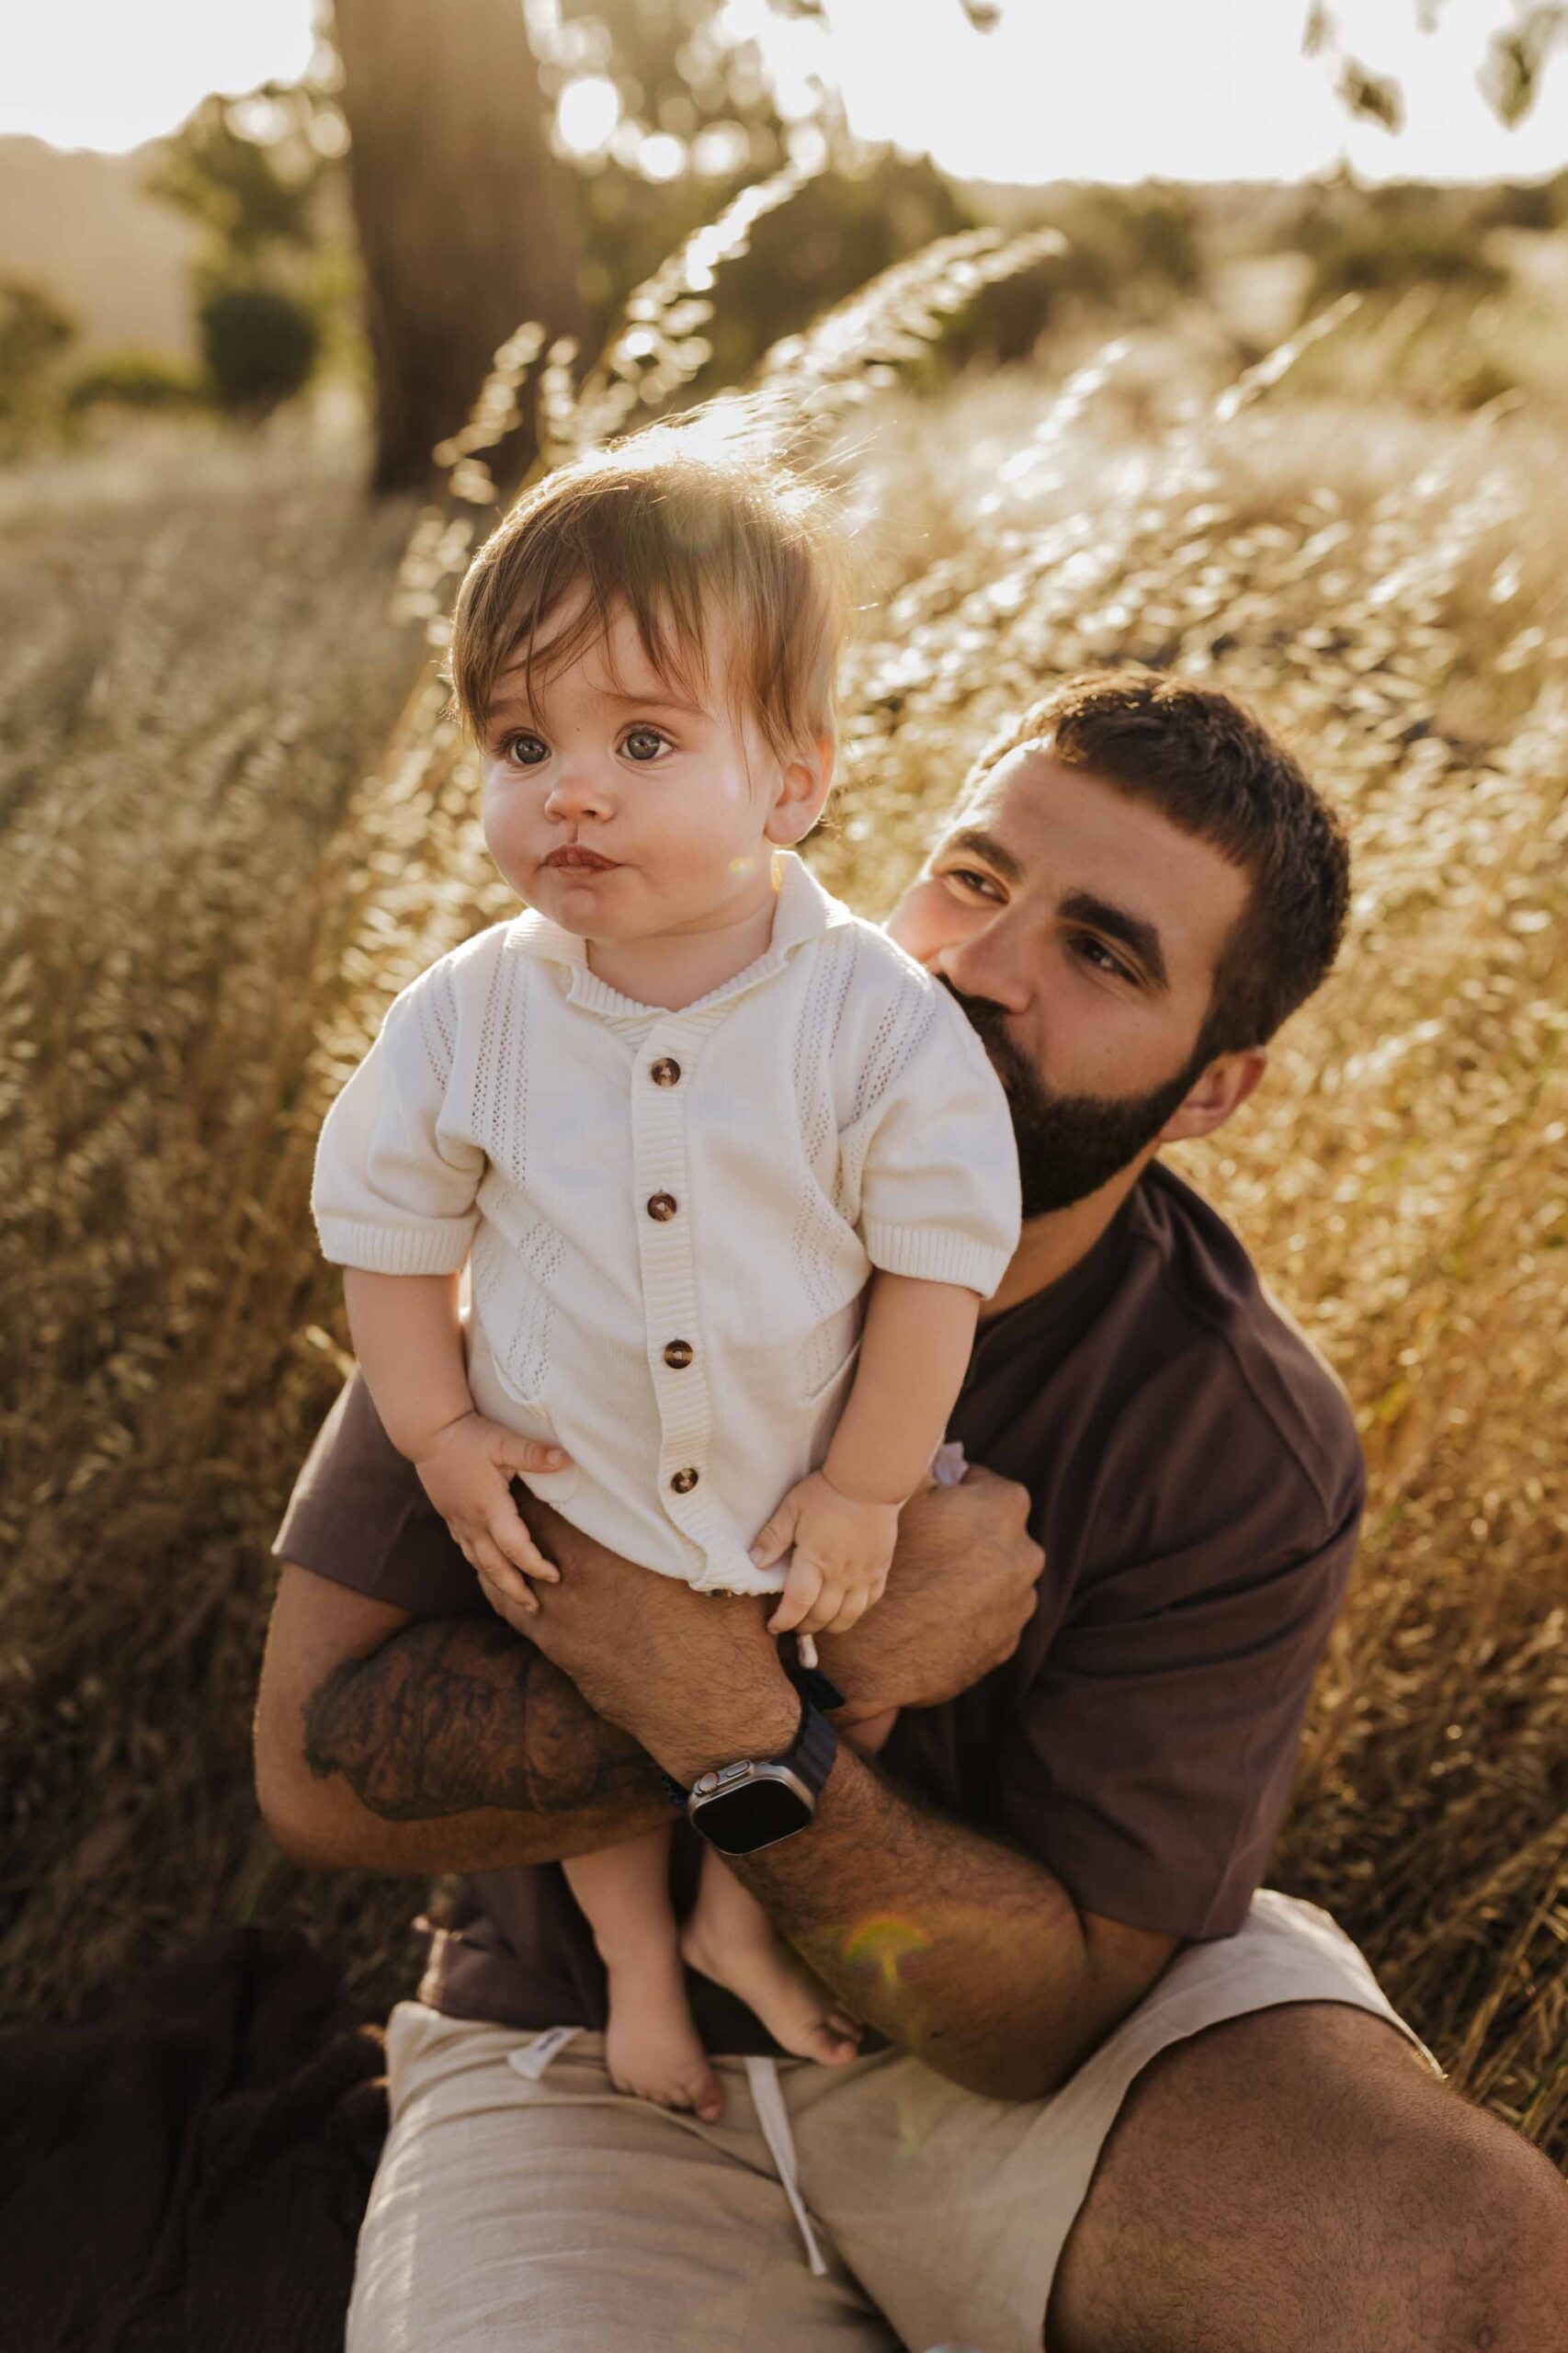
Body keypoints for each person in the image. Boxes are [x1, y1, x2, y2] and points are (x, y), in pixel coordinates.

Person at [256, 671, 1568, 2353]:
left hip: (1051, 2064)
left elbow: (1041, 2027)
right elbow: (311, 1774)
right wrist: (830, 1646)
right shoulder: (559, 1168)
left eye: (1101, 953)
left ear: (1211, 1092)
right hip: (585, 2046)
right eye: (971, 878)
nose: (977, 970)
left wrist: (739, 1724)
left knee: (1485, 2286)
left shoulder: (1237, 1435)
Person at [307, 417, 1019, 2119]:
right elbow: (388, 1233)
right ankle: (639, 1956)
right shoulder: (473, 1013)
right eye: (520, 739)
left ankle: (734, 1918)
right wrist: (436, 1436)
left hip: (805, 1490)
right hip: (579, 1481)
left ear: (792, 780)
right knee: (606, 1729)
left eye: (640, 736)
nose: (570, 786)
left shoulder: (870, 1020)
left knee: (863, 1686)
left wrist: (859, 1494)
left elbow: (933, 1267)